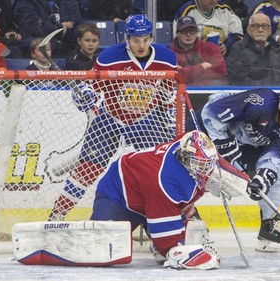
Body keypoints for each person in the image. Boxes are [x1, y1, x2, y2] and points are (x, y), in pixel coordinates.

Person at [48, 14, 177, 221]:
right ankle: (57, 214)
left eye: (145, 39)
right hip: (110, 118)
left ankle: (159, 220)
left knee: (157, 173)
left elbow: (167, 93)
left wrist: (169, 115)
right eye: (136, 40)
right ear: (127, 39)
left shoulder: (166, 58)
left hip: (146, 121)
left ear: (152, 37)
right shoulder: (110, 56)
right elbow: (91, 85)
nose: (141, 45)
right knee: (87, 169)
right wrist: (84, 94)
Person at [185, 86, 280, 253]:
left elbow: (274, 158)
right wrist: (223, 142)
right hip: (201, 131)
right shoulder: (261, 102)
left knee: (279, 168)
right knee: (187, 167)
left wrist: (263, 179)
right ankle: (184, 216)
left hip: (238, 145)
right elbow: (211, 112)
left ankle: (269, 226)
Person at [90, 130, 220, 269]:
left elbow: (196, 139)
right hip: (118, 193)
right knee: (97, 248)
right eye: (200, 165)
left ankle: (155, 241)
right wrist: (172, 249)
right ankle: (156, 242)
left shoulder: (186, 144)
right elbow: (168, 240)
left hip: (150, 189)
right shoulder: (165, 182)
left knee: (189, 233)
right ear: (186, 158)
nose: (205, 170)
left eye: (206, 164)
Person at [226, 13, 280, 86]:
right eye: (256, 26)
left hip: (279, 93)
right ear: (248, 29)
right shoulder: (238, 49)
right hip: (252, 95)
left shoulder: (279, 49)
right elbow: (240, 80)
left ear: (269, 30)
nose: (260, 30)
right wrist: (266, 92)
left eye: (264, 26)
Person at [173, 0, 244, 57]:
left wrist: (226, 46)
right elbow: (178, 38)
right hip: (195, 57)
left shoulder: (225, 10)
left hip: (223, 57)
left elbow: (238, 34)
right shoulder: (187, 10)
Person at [170, 16, 227, 86]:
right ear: (177, 33)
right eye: (184, 31)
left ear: (197, 33)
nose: (188, 35)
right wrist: (202, 67)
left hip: (206, 91)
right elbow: (170, 77)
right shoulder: (168, 52)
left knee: (217, 83)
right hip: (178, 93)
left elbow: (220, 70)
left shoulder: (210, 48)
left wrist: (185, 73)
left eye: (192, 31)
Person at [12, 0, 78, 56]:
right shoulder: (25, 2)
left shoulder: (70, 2)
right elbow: (34, 28)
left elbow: (76, 26)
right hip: (39, 50)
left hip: (68, 48)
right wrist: (60, 28)